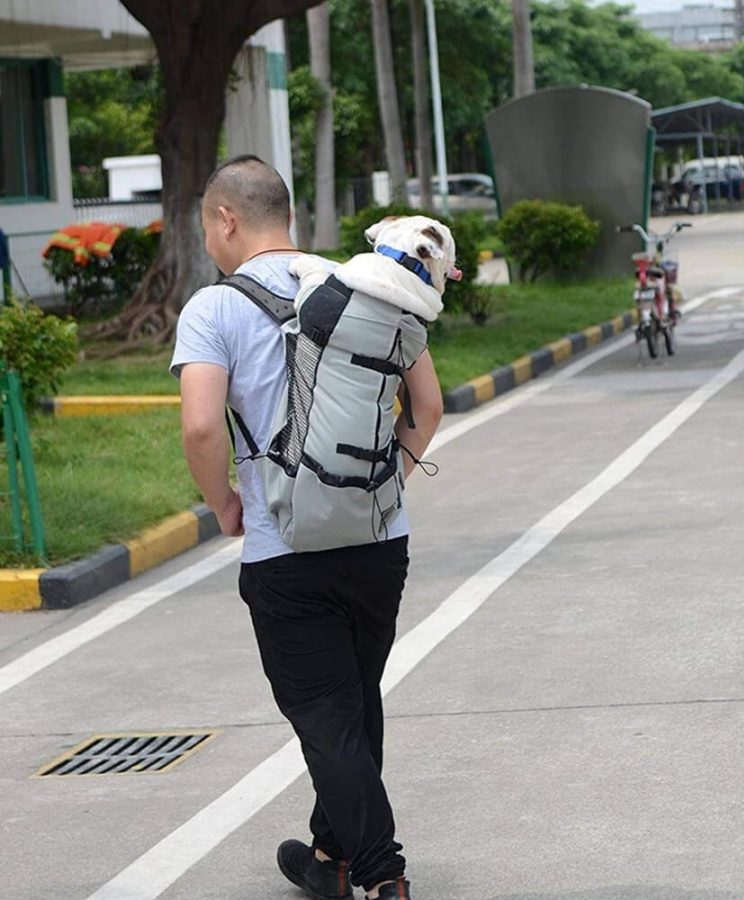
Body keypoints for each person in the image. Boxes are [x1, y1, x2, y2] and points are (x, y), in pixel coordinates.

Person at [170, 155, 443, 900]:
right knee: (354, 700)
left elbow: (201, 426)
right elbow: (429, 405)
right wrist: (389, 484)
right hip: (381, 541)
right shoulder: (361, 283)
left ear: (226, 219)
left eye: (208, 227)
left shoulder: (213, 308)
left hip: (286, 548)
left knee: (327, 716)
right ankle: (330, 857)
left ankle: (383, 875)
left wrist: (224, 500)